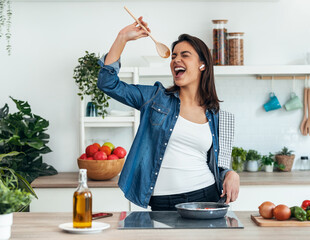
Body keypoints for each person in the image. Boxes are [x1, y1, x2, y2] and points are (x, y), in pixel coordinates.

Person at [97, 17, 240, 210]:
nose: (176, 60)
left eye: (185, 55)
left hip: (205, 196)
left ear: (202, 65)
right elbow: (108, 84)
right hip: (162, 201)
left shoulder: (217, 115)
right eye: (173, 56)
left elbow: (220, 164)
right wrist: (122, 38)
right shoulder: (155, 98)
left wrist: (231, 173)